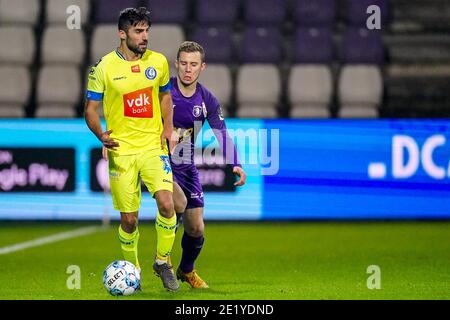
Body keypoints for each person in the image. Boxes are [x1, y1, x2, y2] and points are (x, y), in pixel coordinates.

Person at [84, 7, 180, 292]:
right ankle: (133, 270)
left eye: (147, 31)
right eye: (139, 31)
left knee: (167, 204)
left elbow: (165, 96)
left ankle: (162, 261)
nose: (145, 37)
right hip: (122, 151)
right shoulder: (103, 68)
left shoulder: (159, 62)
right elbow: (90, 109)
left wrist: (167, 127)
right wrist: (101, 134)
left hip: (153, 147)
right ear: (122, 33)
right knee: (129, 219)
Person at [170, 41, 247, 289]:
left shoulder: (207, 99)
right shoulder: (162, 90)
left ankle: (186, 270)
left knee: (196, 227)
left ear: (202, 67)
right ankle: (162, 262)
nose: (187, 69)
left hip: (186, 164)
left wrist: (236, 163)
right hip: (159, 160)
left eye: (193, 64)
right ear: (176, 64)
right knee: (175, 203)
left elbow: (221, 133)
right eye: (183, 63)